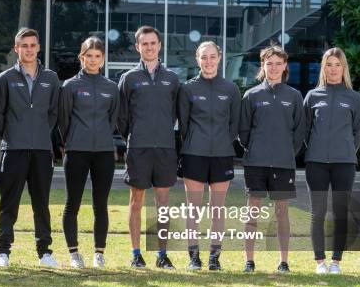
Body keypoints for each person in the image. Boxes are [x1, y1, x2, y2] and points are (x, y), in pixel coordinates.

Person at [0, 28, 60, 268]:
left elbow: (54, 114)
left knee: (41, 203)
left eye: (33, 45)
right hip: (14, 150)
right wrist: (12, 134)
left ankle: (45, 252)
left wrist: (40, 132)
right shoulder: (5, 78)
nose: (29, 49)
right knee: (9, 202)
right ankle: (2, 251)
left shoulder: (51, 78)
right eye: (24, 45)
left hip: (42, 150)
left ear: (38, 47)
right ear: (16, 49)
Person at [238, 45, 305, 273]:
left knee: (281, 213)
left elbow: (299, 132)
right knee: (252, 212)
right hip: (255, 163)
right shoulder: (251, 95)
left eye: (278, 63)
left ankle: (283, 261)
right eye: (269, 64)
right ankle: (249, 260)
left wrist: (286, 152)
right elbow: (243, 131)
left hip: (283, 164)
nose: (274, 68)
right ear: (263, 66)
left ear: (285, 66)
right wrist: (256, 149)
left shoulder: (294, 96)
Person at [117, 26, 180, 269]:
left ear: (160, 45)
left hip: (164, 148)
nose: (149, 47)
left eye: (153, 43)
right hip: (139, 149)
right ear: (138, 47)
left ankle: (161, 254)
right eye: (145, 44)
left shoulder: (172, 79)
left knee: (162, 204)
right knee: (136, 202)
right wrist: (136, 135)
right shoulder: (129, 78)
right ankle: (135, 253)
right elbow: (122, 118)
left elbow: (175, 114)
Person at [177, 41, 240, 271]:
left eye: (212, 57)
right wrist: (196, 142)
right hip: (194, 154)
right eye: (204, 57)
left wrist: (222, 142)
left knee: (217, 208)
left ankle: (215, 257)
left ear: (220, 58)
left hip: (222, 155)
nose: (209, 61)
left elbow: (234, 125)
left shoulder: (231, 89)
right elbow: (183, 125)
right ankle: (194, 256)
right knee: (193, 208)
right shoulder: (188, 89)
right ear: (197, 59)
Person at [303, 47, 360, 274]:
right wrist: (317, 150)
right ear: (323, 68)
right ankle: (320, 262)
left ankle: (336, 262)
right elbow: (306, 130)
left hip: (345, 164)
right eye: (328, 64)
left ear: (343, 68)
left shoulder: (354, 98)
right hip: (316, 163)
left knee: (341, 212)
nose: (333, 69)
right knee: (317, 213)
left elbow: (358, 132)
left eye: (337, 64)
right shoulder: (312, 96)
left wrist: (346, 151)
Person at [58, 37, 119, 268]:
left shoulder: (111, 88)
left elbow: (113, 119)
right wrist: (72, 140)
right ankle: (74, 254)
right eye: (88, 56)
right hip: (76, 151)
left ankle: (99, 253)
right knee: (72, 203)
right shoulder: (70, 86)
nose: (93, 60)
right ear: (81, 58)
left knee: (100, 204)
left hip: (103, 152)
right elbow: (63, 120)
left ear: (102, 59)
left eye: (97, 56)